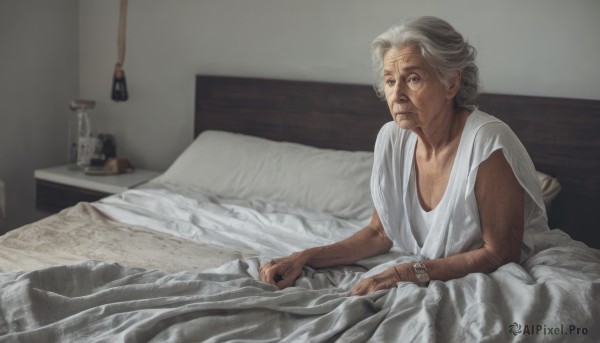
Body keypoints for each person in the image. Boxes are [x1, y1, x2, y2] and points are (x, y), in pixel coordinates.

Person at [259, 16, 549, 295]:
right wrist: (305, 256)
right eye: (389, 80)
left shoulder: (486, 141)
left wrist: (407, 272)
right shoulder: (392, 138)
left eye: (412, 78)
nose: (396, 94)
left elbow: (500, 253)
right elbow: (379, 233)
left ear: (450, 84)